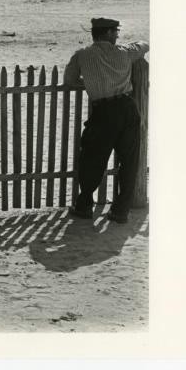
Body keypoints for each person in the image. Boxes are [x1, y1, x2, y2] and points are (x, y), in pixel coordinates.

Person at [64, 17, 149, 224]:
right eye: (116, 32)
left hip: (103, 110)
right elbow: (145, 45)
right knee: (129, 161)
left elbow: (69, 81)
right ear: (109, 33)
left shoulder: (82, 55)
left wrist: (93, 82)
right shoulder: (124, 52)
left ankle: (84, 205)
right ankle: (121, 211)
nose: (118, 35)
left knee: (92, 158)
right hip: (127, 109)